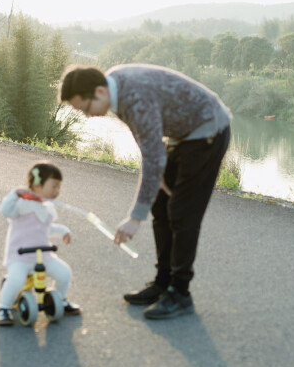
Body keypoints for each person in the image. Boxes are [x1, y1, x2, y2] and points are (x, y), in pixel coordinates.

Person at [59, 64, 231, 320]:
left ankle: (180, 293)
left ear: (99, 91)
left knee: (182, 211)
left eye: (84, 108)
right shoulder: (115, 87)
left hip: (208, 129)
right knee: (160, 205)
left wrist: (134, 218)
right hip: (180, 135)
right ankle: (163, 282)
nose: (86, 115)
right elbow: (144, 138)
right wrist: (157, 173)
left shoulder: (133, 95)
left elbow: (152, 155)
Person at [0, 162, 81, 326]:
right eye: (54, 186)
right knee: (16, 280)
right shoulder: (21, 205)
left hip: (43, 256)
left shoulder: (47, 207)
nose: (57, 191)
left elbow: (46, 229)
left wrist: (63, 231)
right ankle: (4, 308)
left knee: (64, 273)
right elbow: (5, 211)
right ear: (37, 183)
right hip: (20, 256)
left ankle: (61, 300)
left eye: (59, 187)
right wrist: (15, 194)